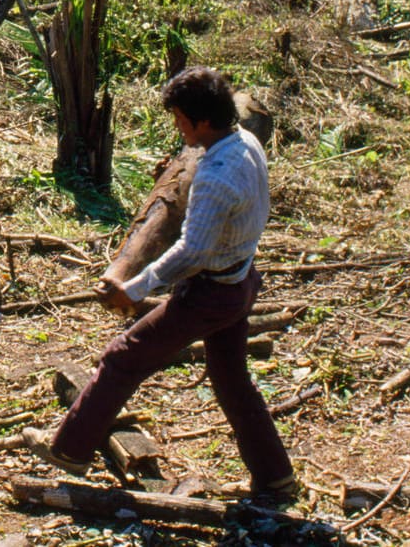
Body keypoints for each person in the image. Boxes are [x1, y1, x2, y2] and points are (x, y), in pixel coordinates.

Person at [24, 67, 297, 501]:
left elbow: (192, 252)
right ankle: (275, 477)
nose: (176, 127)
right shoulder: (246, 142)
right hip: (241, 280)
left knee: (122, 358)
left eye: (179, 119)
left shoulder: (216, 177)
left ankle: (70, 450)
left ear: (202, 121)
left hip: (213, 292)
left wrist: (132, 289)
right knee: (231, 380)